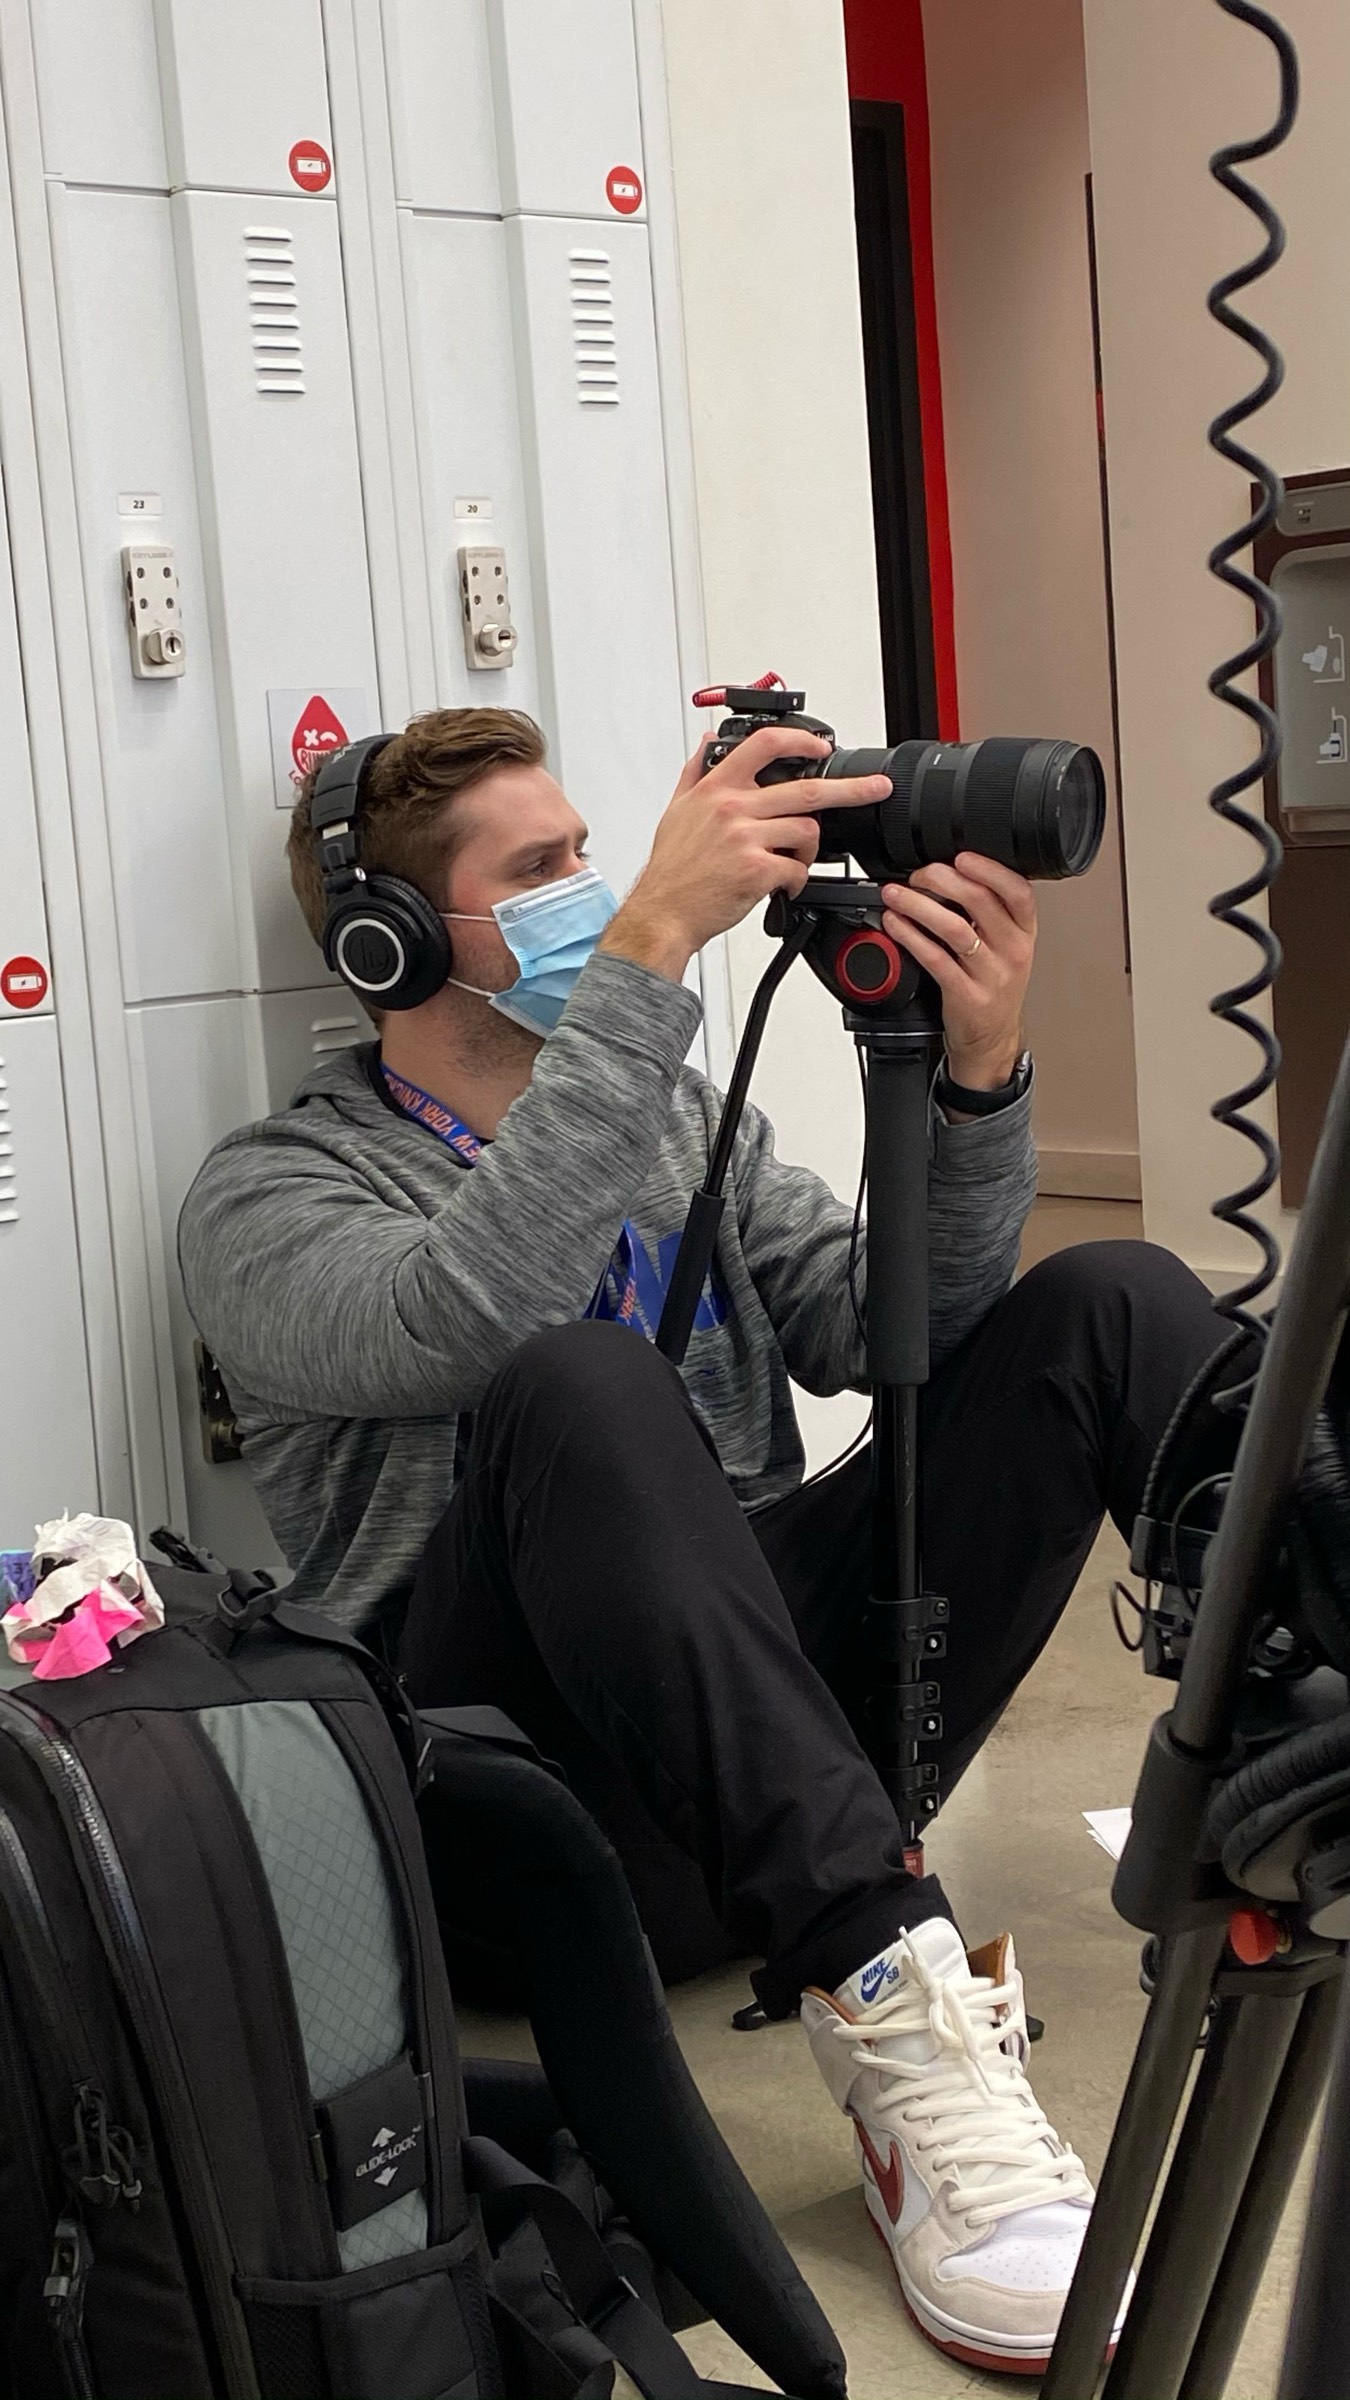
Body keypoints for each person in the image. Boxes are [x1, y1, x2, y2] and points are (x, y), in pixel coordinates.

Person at [180, 705, 1226, 2374]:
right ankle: (894, 2014)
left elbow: (903, 1334)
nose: (597, 888)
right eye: (542, 873)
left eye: (594, 856)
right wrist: (655, 953)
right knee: (579, 1383)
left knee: (1107, 1302)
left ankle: (1311, 1758)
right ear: (388, 941)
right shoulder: (271, 1195)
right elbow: (476, 1312)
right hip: (514, 1823)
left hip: (770, 1760)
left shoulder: (688, 1129)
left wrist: (976, 1078)